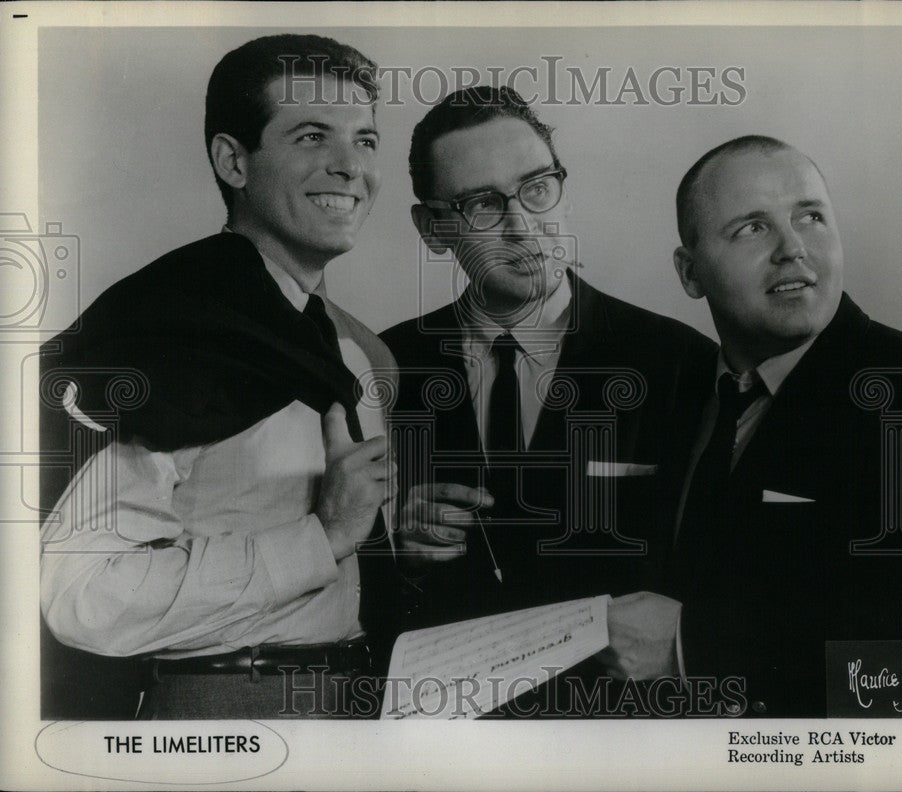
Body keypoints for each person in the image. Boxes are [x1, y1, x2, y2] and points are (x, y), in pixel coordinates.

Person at [39, 34, 398, 719]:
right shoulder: (165, 336)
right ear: (234, 160)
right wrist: (322, 538)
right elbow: (81, 598)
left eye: (366, 140)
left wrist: (393, 545)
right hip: (231, 709)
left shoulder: (353, 352)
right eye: (313, 136)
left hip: (358, 706)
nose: (350, 166)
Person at [379, 86, 714, 715]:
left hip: (622, 746)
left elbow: (721, 572)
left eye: (538, 187)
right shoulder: (384, 368)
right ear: (433, 230)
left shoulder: (681, 363)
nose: (523, 225)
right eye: (482, 204)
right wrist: (398, 548)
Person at [606, 135, 902, 717]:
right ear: (689, 272)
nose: (793, 248)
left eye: (812, 217)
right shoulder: (676, 389)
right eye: (752, 228)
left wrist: (691, 644)